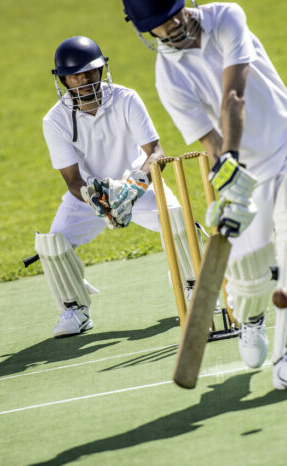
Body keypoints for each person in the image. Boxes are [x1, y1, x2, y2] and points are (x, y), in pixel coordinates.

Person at [122, 1, 287, 391]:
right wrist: (229, 176)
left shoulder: (226, 18)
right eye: (157, 26)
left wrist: (231, 158)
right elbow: (210, 140)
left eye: (172, 16)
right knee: (250, 276)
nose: (169, 29)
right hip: (245, 168)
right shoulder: (168, 79)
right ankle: (250, 319)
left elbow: (233, 96)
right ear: (144, 30)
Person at [37, 35, 198, 338]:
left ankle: (194, 288)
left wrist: (136, 185)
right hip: (90, 195)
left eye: (90, 71)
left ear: (101, 69)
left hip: (136, 184)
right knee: (53, 243)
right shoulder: (54, 120)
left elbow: (155, 153)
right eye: (75, 75)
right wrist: (96, 198)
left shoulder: (126, 98)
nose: (84, 79)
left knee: (178, 219)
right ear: (64, 80)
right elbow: (72, 180)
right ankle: (76, 309)